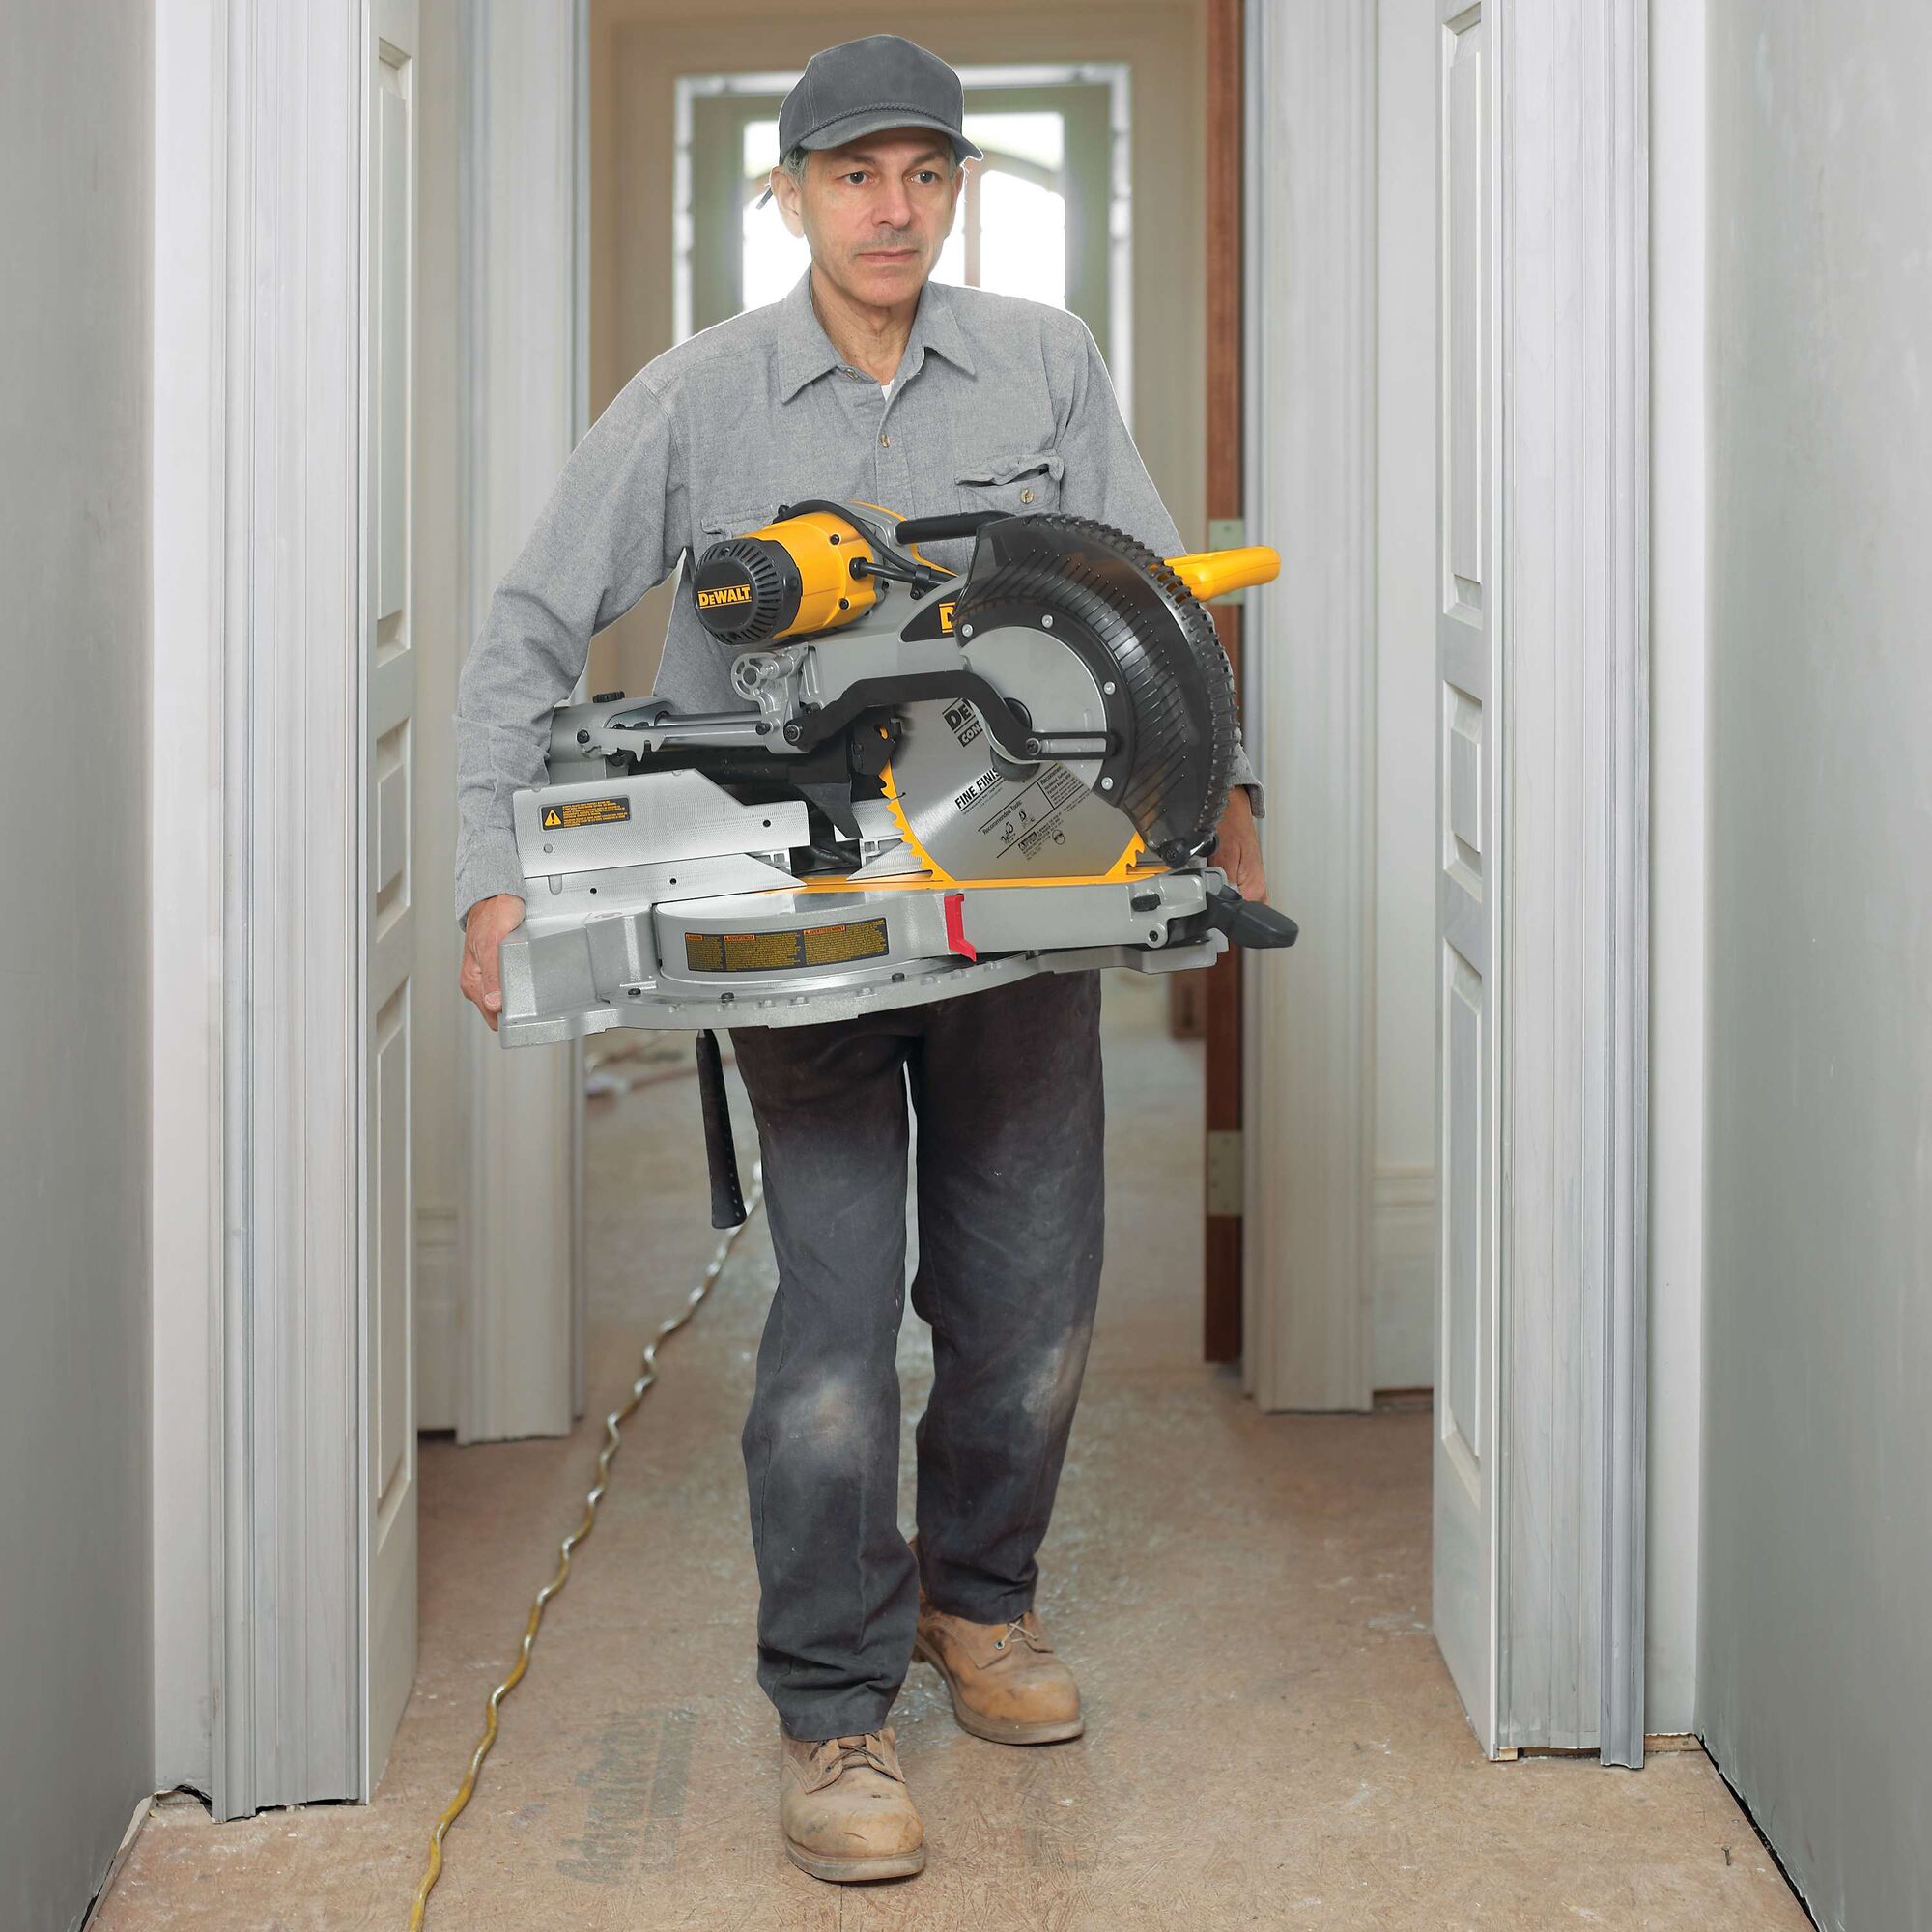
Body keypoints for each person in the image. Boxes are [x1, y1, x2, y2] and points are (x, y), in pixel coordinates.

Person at [453, 32, 1265, 1885]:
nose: (890, 211)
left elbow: (1150, 597)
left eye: (923, 175)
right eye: (851, 177)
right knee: (831, 1327)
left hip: (1018, 899)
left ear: (956, 191)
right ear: (793, 194)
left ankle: (981, 1605)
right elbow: (522, 629)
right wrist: (499, 873)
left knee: (1032, 1300)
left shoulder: (1045, 363)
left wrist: (1217, 789)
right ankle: (832, 1712)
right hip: (798, 924)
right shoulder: (697, 399)